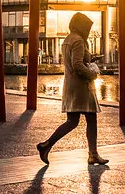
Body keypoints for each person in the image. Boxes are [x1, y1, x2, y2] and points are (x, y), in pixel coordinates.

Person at [37, 12, 108, 165]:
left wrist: (90, 58)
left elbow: (75, 60)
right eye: (87, 27)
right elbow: (77, 65)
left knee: (72, 121)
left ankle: (47, 145)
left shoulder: (67, 40)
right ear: (82, 26)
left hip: (70, 86)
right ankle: (93, 154)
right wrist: (92, 74)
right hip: (82, 86)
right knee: (91, 119)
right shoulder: (79, 41)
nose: (88, 30)